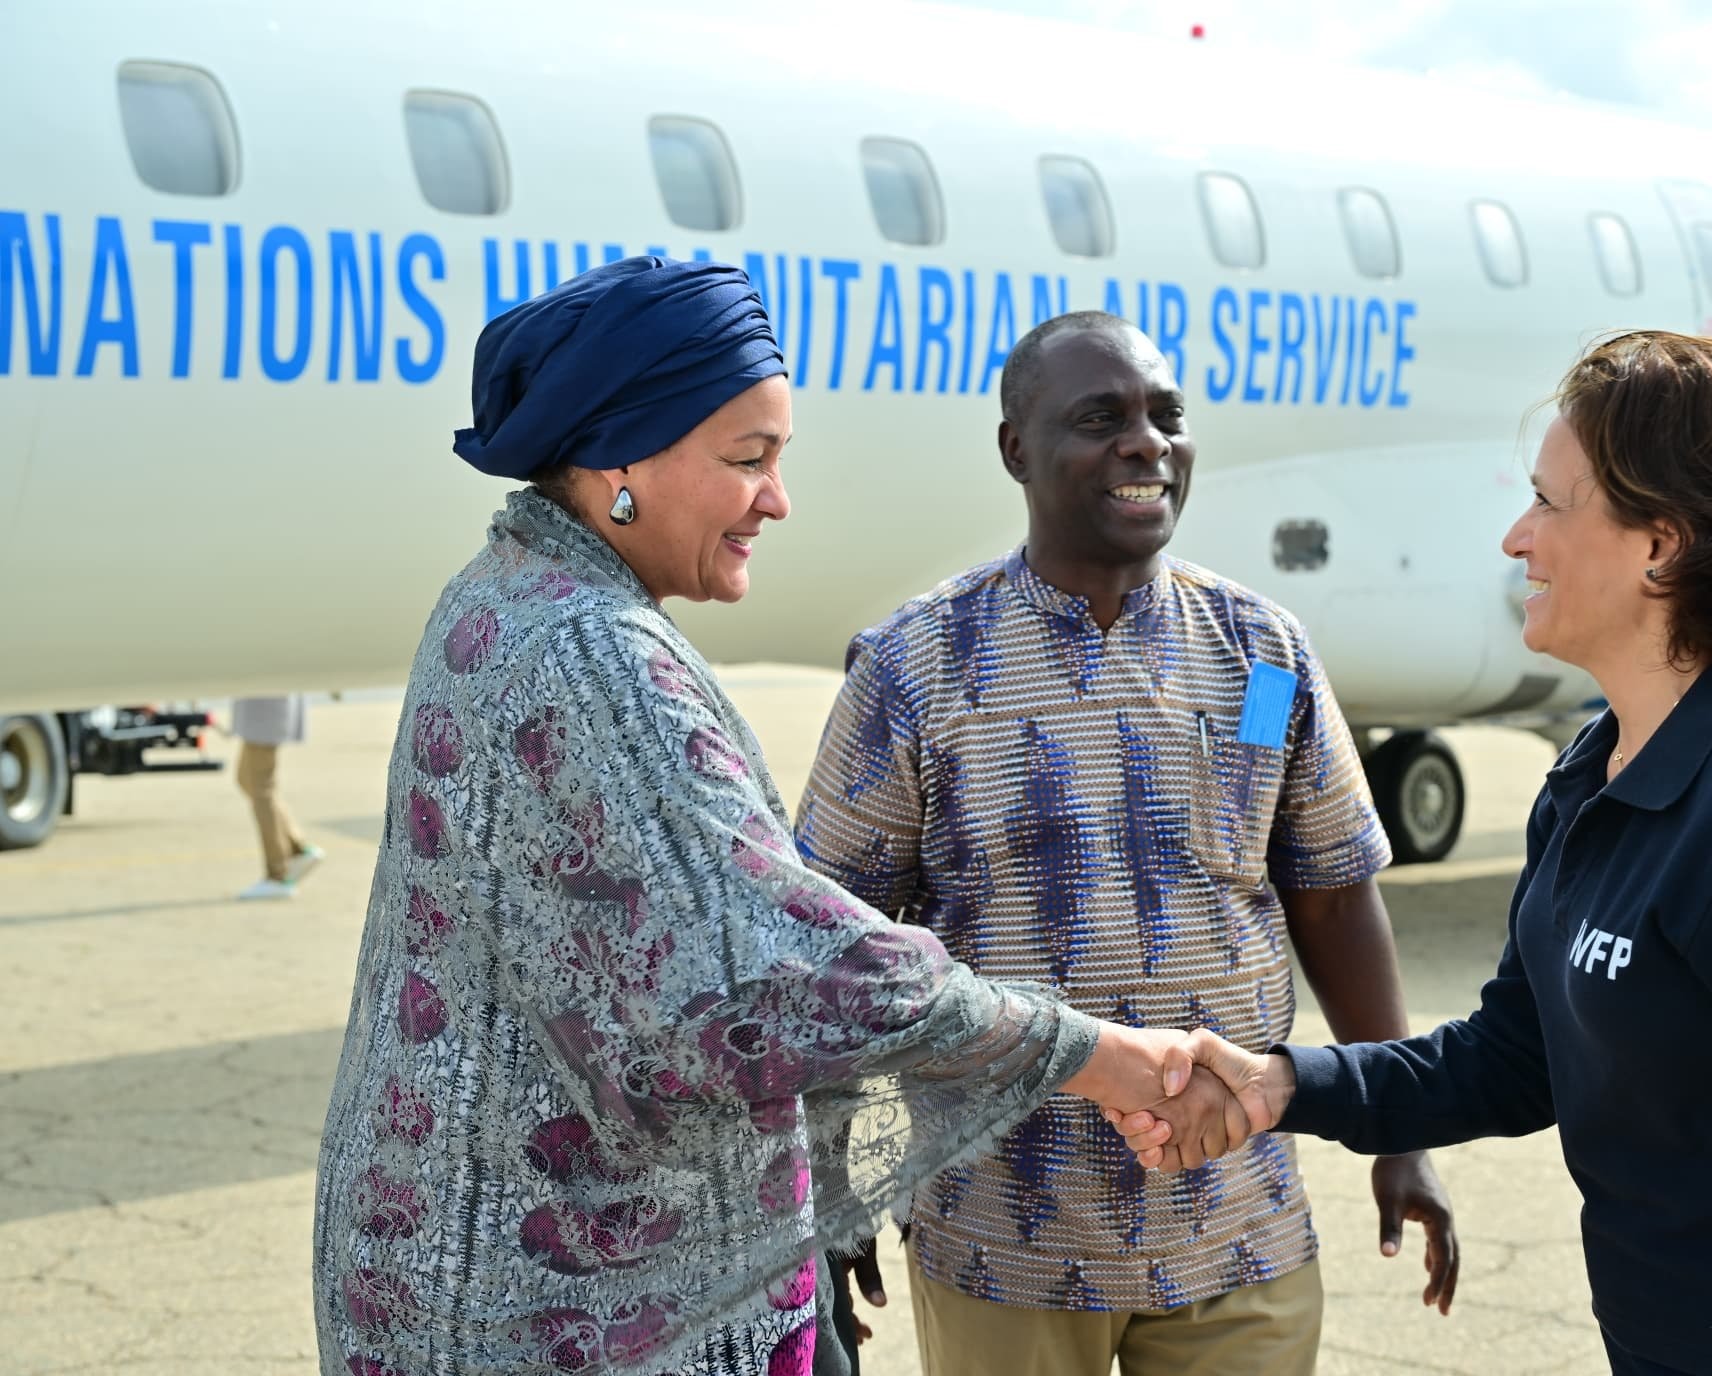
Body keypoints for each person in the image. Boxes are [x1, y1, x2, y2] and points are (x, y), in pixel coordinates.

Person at [310, 261, 1241, 1376]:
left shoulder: (506, 592)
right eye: (747, 460)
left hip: (468, 1274)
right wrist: (1093, 1053)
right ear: (618, 462)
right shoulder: (595, 654)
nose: (777, 497)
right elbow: (782, 968)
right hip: (577, 1315)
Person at [1113, 331, 1712, 1374]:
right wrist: (1282, 1084)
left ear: (1661, 545)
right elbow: (1514, 1055)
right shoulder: (1599, 770)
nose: (1517, 536)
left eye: (1549, 502)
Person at [792, 311, 1457, 1376]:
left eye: (1166, 416)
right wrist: (830, 1187)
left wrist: (1400, 1126)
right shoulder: (917, 668)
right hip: (1005, 1234)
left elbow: (1334, 896)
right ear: (1016, 448)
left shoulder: (1265, 655)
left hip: (1238, 1227)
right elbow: (832, 949)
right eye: (1102, 417)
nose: (1147, 442)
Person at [229, 693, 323, 900]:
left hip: (265, 707)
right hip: (264, 706)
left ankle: (278, 875)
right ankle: (296, 848)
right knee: (246, 779)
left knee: (261, 788)